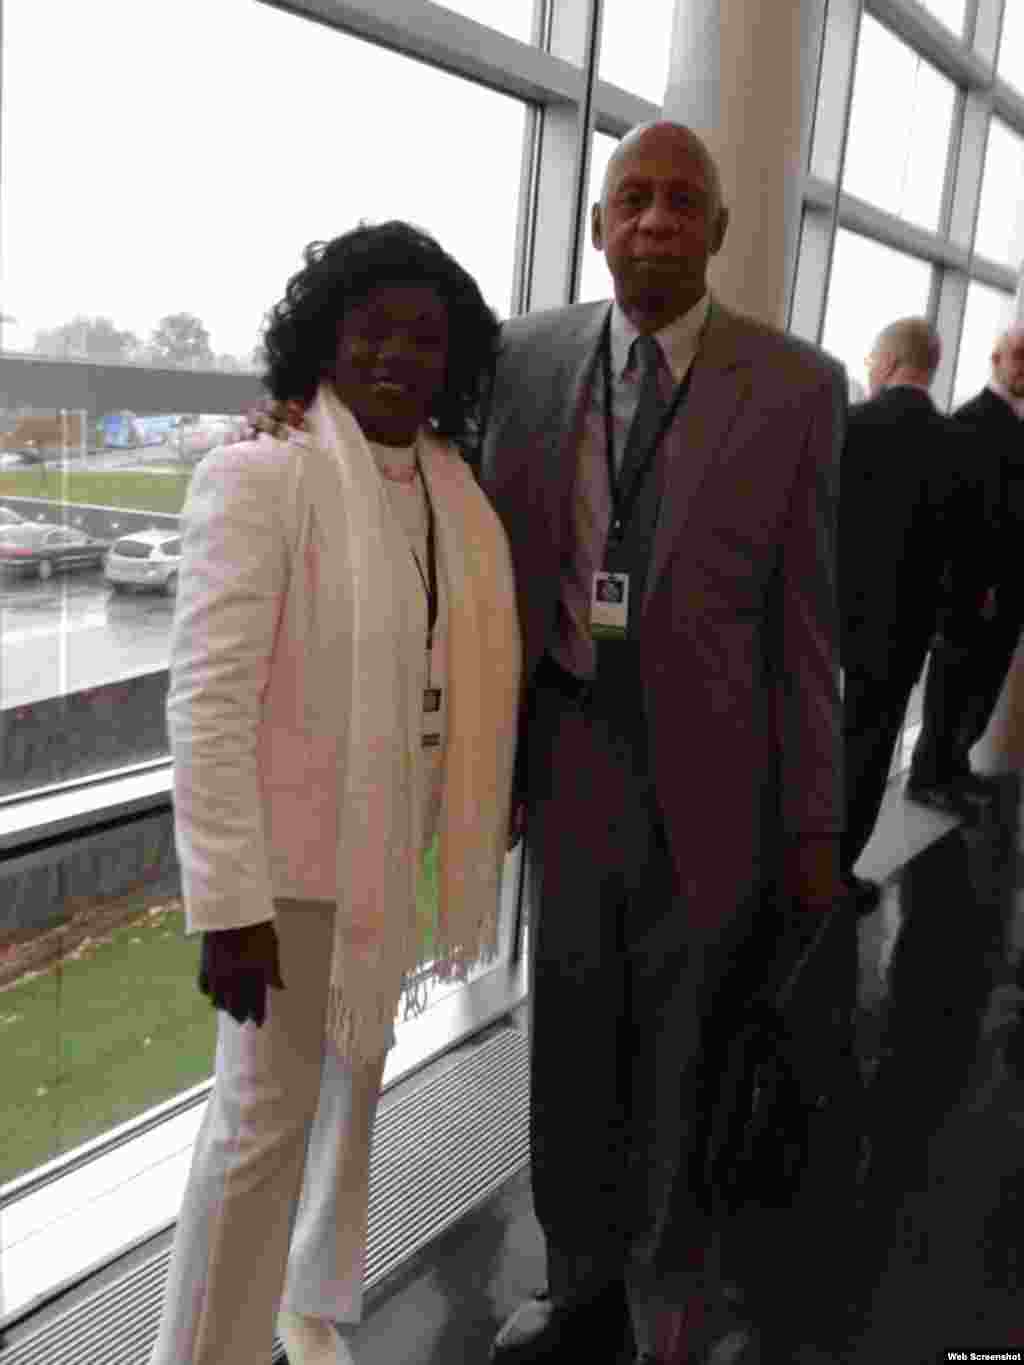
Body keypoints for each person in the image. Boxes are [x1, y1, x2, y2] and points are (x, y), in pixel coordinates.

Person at [480, 122, 847, 1365]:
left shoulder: (798, 387)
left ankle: (668, 1288)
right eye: (631, 198)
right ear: (596, 224)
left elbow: (807, 626)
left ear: (719, 231)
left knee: (690, 1044)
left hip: (718, 775)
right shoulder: (524, 359)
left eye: (682, 201)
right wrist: (284, 412)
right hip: (568, 755)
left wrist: (813, 821)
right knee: (570, 1035)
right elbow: (418, 454)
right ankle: (575, 1271)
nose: (654, 220)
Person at [147, 221, 521, 1365]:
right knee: (259, 1128)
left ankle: (306, 1307)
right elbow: (206, 707)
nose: (398, 355)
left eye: (425, 337)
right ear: (325, 337)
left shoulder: (452, 493)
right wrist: (228, 906)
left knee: (353, 1086)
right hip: (284, 877)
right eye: (373, 331)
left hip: (385, 855)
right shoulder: (260, 476)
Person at [840, 318, 982, 914]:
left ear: (891, 361)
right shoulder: (957, 445)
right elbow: (965, 557)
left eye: (872, 360)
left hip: (827, 624)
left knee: (810, 747)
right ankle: (838, 874)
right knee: (871, 754)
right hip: (902, 637)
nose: (870, 370)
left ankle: (784, 871)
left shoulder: (849, 426)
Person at [905, 324, 1024, 812]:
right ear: (995, 359)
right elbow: (953, 515)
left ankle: (952, 769)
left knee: (982, 688)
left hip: (1006, 589)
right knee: (953, 688)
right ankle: (927, 777)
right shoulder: (970, 421)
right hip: (972, 589)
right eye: (1019, 356)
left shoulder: (1015, 424)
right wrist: (974, 583)